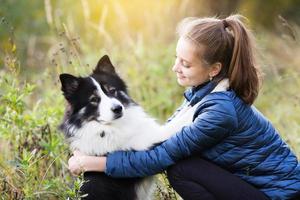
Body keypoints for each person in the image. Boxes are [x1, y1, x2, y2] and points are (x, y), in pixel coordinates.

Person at [68, 15, 300, 200]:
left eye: (185, 64)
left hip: (280, 195)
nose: (175, 68)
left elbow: (160, 156)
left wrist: (93, 163)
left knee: (181, 168)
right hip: (259, 187)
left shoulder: (219, 112)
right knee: (183, 164)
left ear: (214, 69)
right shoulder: (203, 92)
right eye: (176, 58)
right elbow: (162, 139)